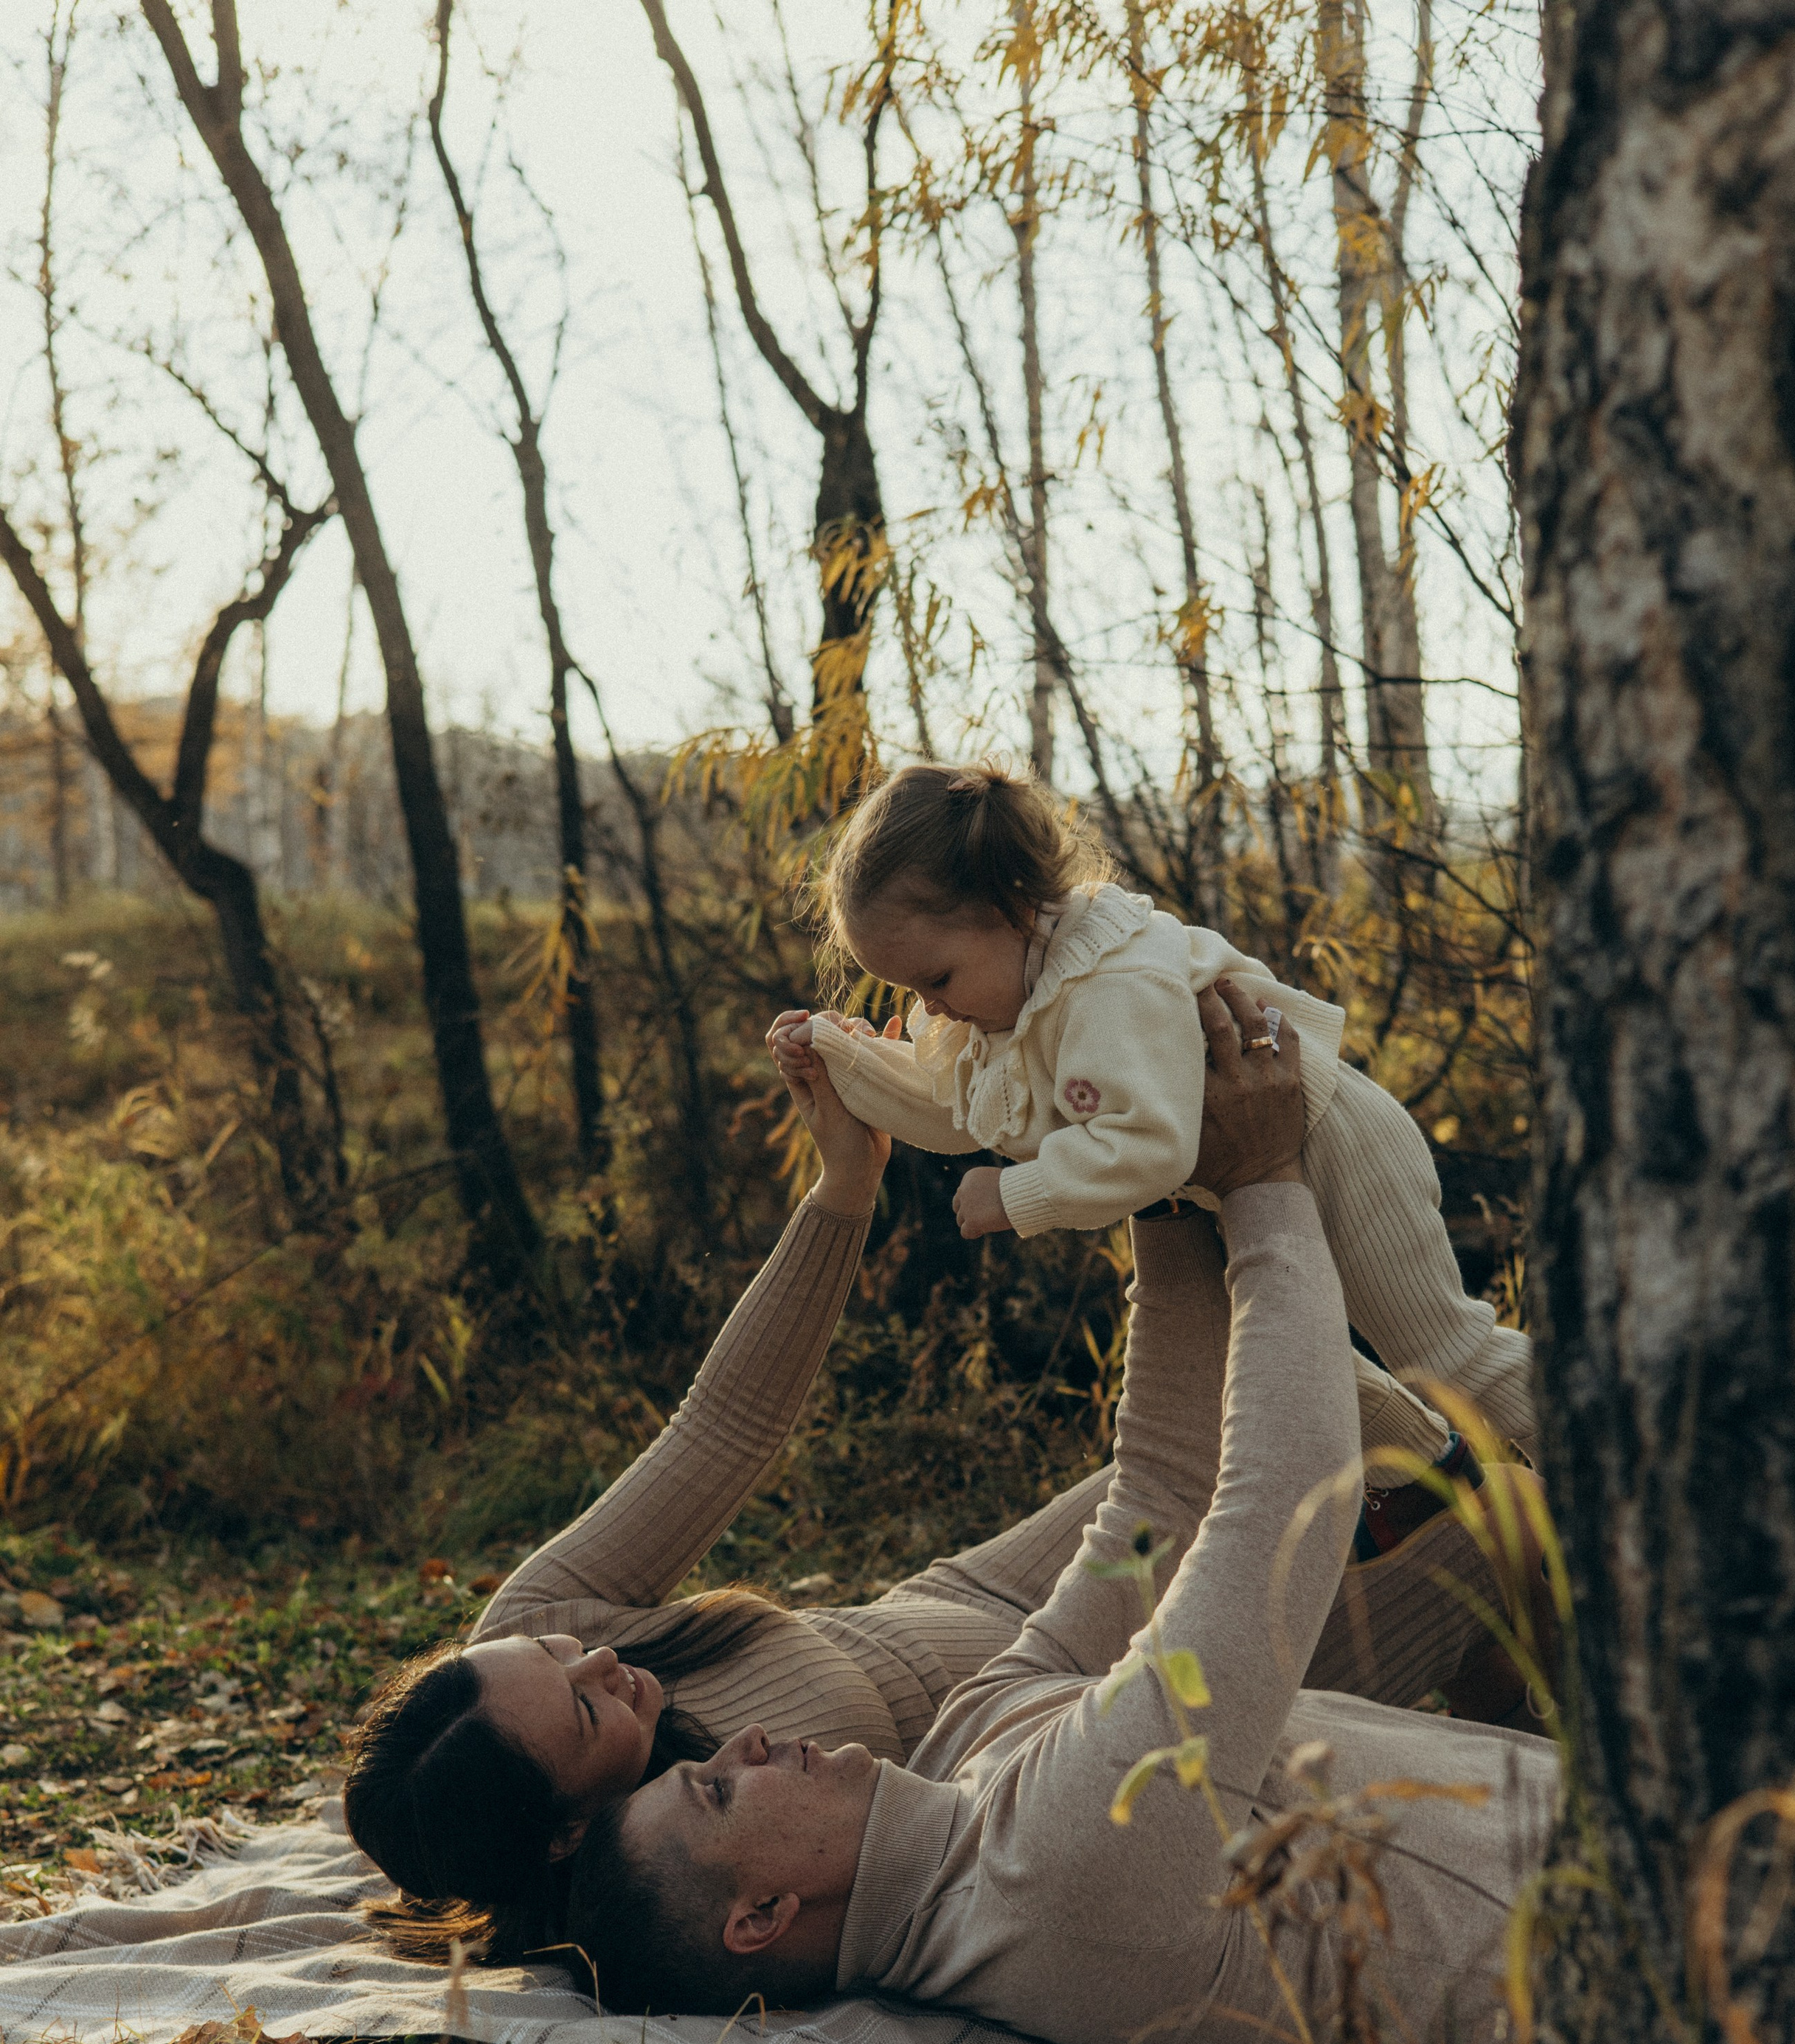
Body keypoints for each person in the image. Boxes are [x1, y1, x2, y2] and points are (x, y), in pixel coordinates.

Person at [344, 1009, 1544, 1978]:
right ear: (567, 1831)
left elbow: (727, 1425)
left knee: (1343, 1398)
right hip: (1085, 1715)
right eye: (593, 1715)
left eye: (569, 1655)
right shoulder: (708, 1851)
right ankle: (1534, 1703)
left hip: (996, 1600)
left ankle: (1498, 1619)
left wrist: (843, 1193)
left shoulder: (517, 1651)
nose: (600, 1666)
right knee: (1505, 1539)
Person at [771, 759, 1534, 1487]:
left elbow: (1147, 1146)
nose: (928, 1007)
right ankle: (1436, 1483)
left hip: (1338, 1146)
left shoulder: (1110, 982)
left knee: (1444, 1357)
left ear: (1010, 908)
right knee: (1264, 1348)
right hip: (1242, 1177)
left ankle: (1632, 1442)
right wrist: (843, 1064)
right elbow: (956, 1109)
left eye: (934, 979)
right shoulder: (1011, 986)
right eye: (906, 989)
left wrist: (1016, 1196)